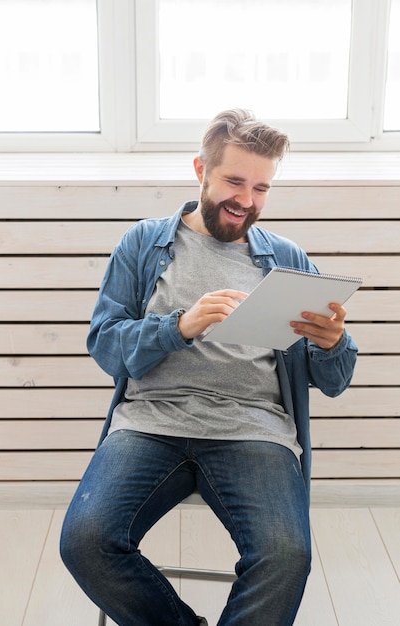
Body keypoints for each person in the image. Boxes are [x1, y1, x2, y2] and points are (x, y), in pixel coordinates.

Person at [60, 109, 358, 625]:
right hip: (152, 423)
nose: (247, 200)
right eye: (234, 181)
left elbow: (333, 382)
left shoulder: (286, 259)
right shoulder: (145, 244)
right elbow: (105, 344)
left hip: (254, 431)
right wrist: (180, 326)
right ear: (201, 169)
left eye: (262, 187)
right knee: (87, 541)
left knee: (286, 557)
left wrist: (334, 344)